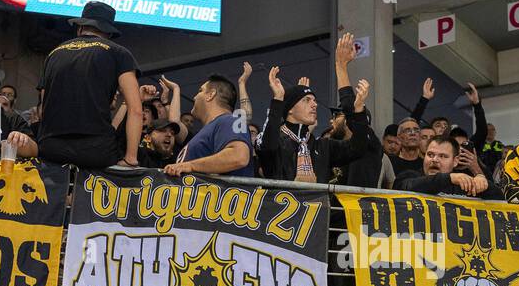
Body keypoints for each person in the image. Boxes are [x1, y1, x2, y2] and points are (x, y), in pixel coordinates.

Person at [15, 1, 141, 168]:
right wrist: (130, 159)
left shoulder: (54, 53)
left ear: (80, 28)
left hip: (51, 148)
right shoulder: (119, 53)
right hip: (96, 150)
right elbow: (136, 110)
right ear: (109, 32)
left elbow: (43, 108)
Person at [259, 32, 373, 184]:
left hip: (318, 208)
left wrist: (358, 111)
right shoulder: (277, 142)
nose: (315, 104)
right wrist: (278, 100)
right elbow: (267, 146)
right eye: (306, 100)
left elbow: (359, 147)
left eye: (314, 100)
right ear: (290, 109)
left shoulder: (323, 146)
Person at [164, 74, 254, 179]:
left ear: (210, 95)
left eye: (200, 91)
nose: (195, 97)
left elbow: (239, 156)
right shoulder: (204, 133)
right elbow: (175, 122)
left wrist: (190, 165)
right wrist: (175, 89)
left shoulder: (230, 120)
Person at [394, 135, 489, 197]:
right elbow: (405, 187)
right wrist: (449, 178)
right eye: (430, 155)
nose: (434, 160)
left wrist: (480, 176)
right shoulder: (409, 176)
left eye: (443, 156)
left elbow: (499, 199)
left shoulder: (462, 183)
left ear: (455, 161)